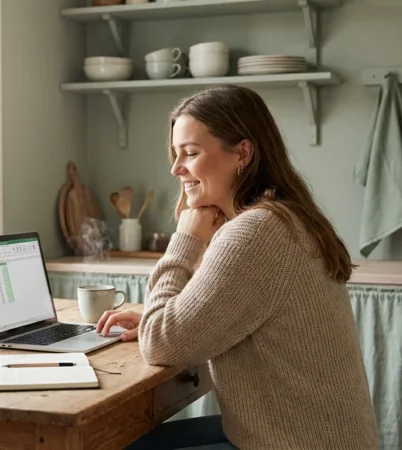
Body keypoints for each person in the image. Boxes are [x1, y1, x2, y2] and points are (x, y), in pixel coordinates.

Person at [96, 85, 379, 450]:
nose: (176, 168)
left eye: (191, 153)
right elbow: (194, 319)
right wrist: (163, 317)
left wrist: (185, 238)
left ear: (242, 153)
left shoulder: (255, 232)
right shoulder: (279, 216)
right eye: (176, 154)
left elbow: (160, 343)